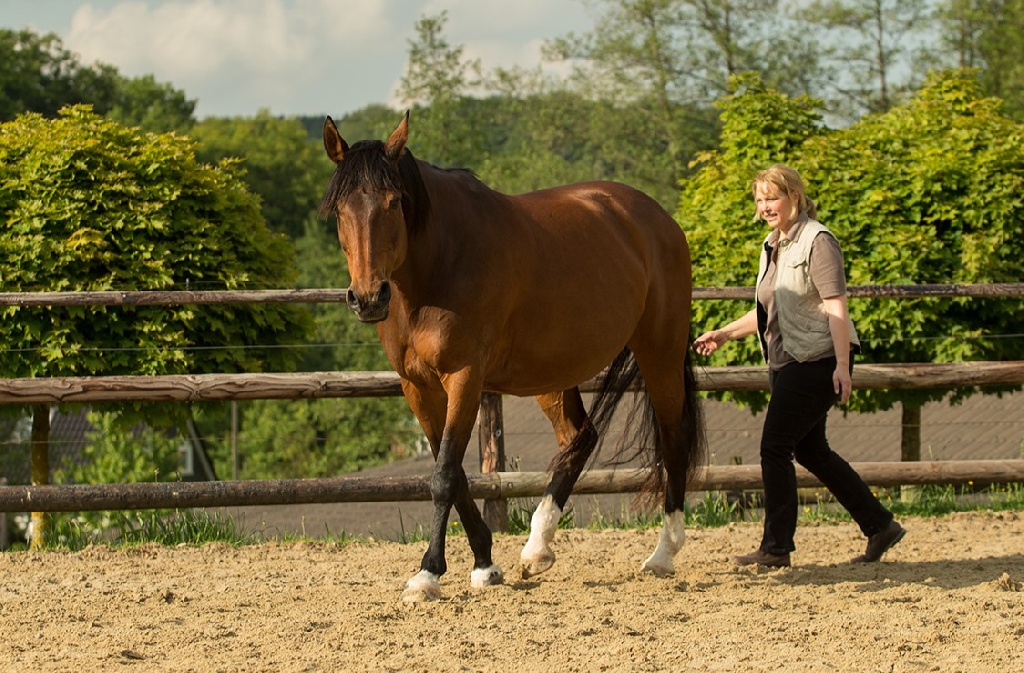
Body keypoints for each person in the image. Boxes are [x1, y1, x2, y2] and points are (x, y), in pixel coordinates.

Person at [693, 164, 905, 568]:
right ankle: (880, 525)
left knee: (774, 447)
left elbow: (836, 307)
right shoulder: (773, 245)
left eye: (772, 197)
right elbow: (772, 309)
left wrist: (842, 366)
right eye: (759, 199)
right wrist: (722, 334)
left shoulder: (818, 241)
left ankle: (776, 548)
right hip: (787, 359)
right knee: (812, 449)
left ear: (794, 196)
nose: (765, 206)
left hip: (817, 358)